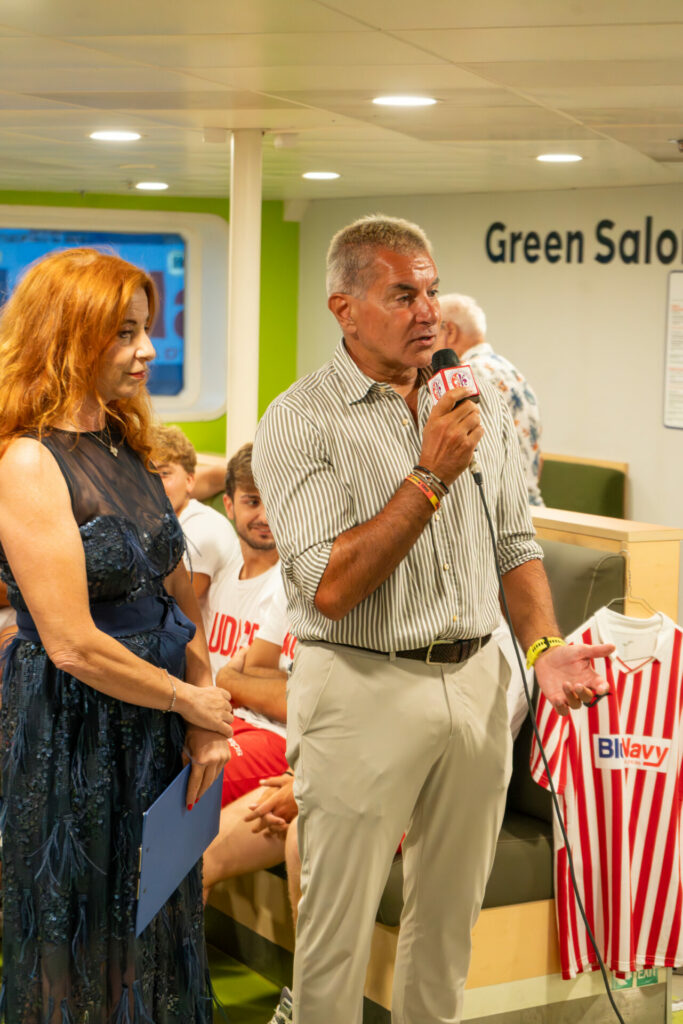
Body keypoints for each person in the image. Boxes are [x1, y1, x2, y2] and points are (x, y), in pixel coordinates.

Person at [253, 214, 613, 1024]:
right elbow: (327, 587)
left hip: (479, 681)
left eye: (431, 292)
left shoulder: (474, 401)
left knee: (448, 925)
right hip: (360, 684)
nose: (427, 313)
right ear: (344, 309)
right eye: (402, 296)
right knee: (336, 933)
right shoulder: (300, 420)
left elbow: (514, 540)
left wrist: (543, 647)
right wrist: (428, 474)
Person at [0, 248, 233, 1023]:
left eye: (146, 330)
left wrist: (203, 711)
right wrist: (189, 702)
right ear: (67, 336)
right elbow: (70, 642)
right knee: (81, 938)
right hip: (75, 729)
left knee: (156, 932)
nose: (147, 351)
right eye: (125, 333)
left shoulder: (128, 446)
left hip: (156, 725)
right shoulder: (28, 461)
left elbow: (176, 595)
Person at [200, 445, 296, 897]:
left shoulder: (290, 579)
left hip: (277, 736)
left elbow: (292, 700)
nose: (265, 516)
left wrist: (233, 682)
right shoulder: (220, 570)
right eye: (252, 501)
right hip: (232, 720)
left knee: (180, 787)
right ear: (229, 504)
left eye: (275, 501)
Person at [438, 292, 545, 506]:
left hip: (496, 509)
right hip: (527, 505)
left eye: (431, 331)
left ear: (450, 331)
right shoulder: (510, 370)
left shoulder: (466, 376)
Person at [150, 423, 239, 612]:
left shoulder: (203, 526)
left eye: (165, 474)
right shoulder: (154, 526)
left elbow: (172, 604)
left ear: (190, 481)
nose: (155, 484)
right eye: (148, 474)